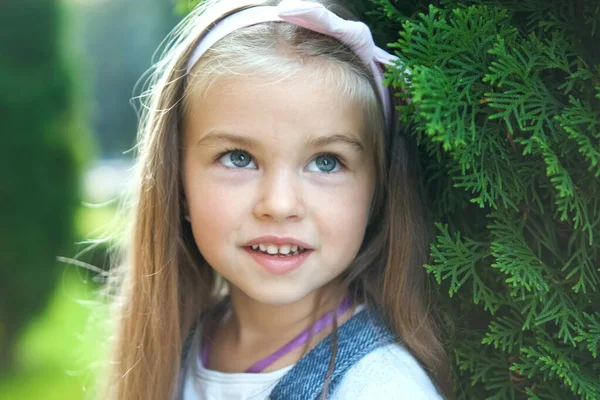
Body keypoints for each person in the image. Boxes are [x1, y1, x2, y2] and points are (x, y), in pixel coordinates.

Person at [97, 0, 454, 398]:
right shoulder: (180, 347)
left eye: (326, 162)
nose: (280, 204)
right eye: (239, 158)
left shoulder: (382, 388)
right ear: (178, 183)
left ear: (377, 191)